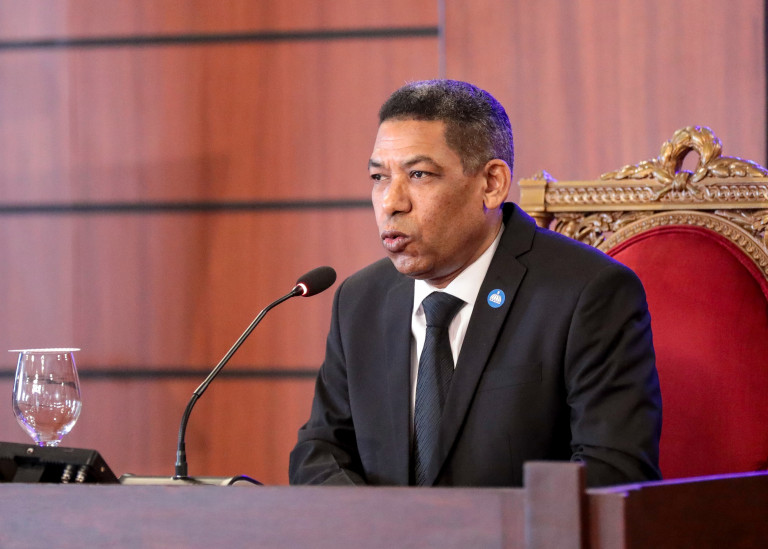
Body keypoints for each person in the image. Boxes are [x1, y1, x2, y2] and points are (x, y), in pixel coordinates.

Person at [289, 79, 662, 487]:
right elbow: (320, 451)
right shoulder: (360, 300)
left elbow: (613, 471)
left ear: (491, 184)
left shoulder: (588, 293)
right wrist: (381, 521)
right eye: (379, 177)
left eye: (419, 174)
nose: (391, 202)